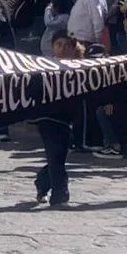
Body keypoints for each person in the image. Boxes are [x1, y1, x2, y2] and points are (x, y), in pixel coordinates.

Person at [33, 35, 83, 206]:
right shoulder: (44, 66)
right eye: (58, 45)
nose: (62, 49)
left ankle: (42, 182)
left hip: (66, 118)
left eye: (67, 45)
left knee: (59, 156)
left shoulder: (80, 68)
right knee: (55, 153)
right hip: (47, 116)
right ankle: (60, 194)